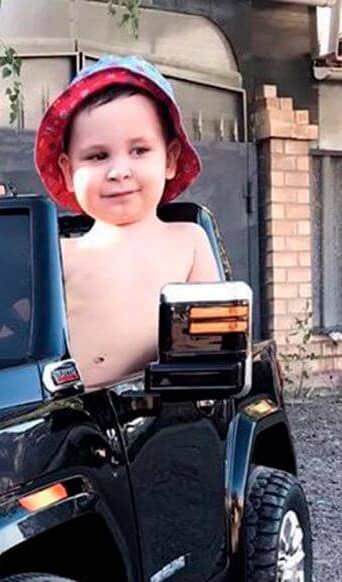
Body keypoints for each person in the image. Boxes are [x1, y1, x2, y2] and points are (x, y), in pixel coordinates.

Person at [35, 55, 221, 390]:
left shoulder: (187, 241)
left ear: (171, 159)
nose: (119, 171)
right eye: (97, 156)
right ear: (67, 170)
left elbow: (211, 343)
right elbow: (17, 333)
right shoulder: (56, 253)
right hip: (70, 419)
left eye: (138, 150)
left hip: (160, 412)